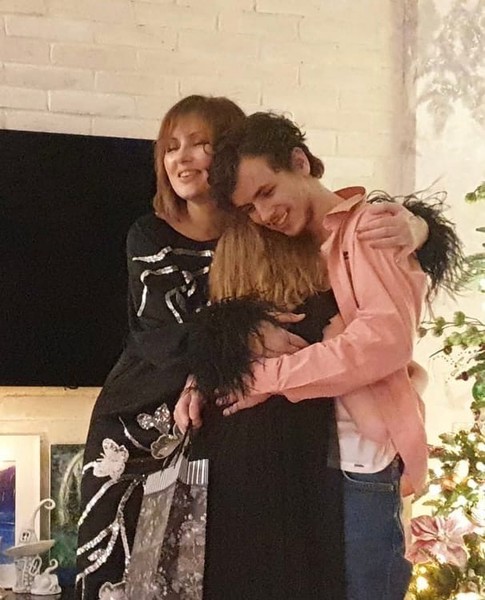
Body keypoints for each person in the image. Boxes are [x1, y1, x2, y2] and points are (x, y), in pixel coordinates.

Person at [76, 95, 443, 600]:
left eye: (202, 144)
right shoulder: (160, 235)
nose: (184, 158)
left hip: (311, 445)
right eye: (171, 146)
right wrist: (223, 353)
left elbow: (375, 328)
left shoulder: (301, 232)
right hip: (157, 420)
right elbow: (161, 333)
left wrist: (422, 227)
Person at [174, 111, 463, 600]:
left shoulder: (369, 228)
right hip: (310, 467)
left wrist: (265, 377)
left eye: (267, 193)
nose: (264, 214)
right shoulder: (291, 242)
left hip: (361, 463)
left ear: (300, 162)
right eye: (250, 207)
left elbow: (383, 341)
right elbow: (244, 321)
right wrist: (211, 370)